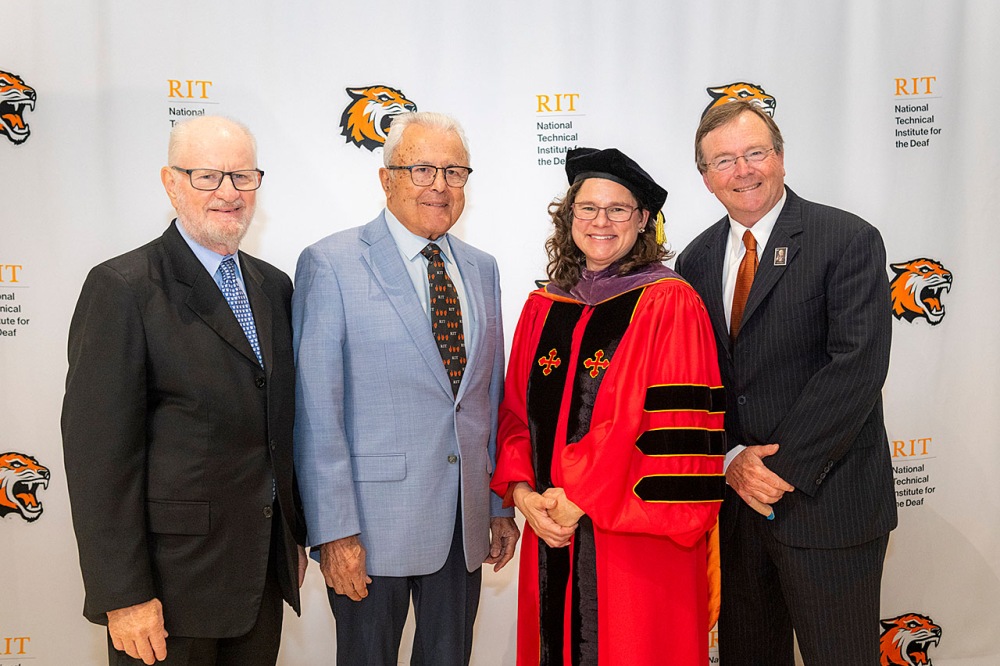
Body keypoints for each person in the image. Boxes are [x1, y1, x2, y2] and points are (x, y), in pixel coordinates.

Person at [61, 116, 307, 666]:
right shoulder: (123, 288)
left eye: (243, 177)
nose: (229, 193)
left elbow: (275, 428)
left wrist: (293, 533)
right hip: (167, 597)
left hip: (258, 583)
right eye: (208, 176)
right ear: (171, 183)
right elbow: (99, 460)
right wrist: (122, 595)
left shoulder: (274, 286)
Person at [292, 111, 519, 666]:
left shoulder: (482, 268)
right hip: (369, 533)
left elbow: (486, 399)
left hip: (461, 530)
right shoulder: (331, 263)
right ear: (386, 177)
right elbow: (316, 412)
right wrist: (334, 533)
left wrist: (494, 504)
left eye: (454, 171)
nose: (439, 185)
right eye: (421, 169)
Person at [674, 100, 896, 665]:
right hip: (736, 510)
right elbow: (691, 381)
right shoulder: (693, 263)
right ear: (705, 178)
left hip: (829, 504)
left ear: (781, 159)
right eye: (723, 160)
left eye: (755, 153)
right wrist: (729, 459)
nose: (742, 170)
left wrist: (773, 469)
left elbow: (856, 368)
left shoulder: (846, 238)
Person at [491, 147, 725, 665]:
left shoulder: (670, 303)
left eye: (619, 209)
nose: (601, 221)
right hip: (552, 528)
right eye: (587, 208)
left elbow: (671, 429)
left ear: (643, 220)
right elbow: (513, 413)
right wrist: (525, 493)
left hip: (634, 542)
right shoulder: (544, 306)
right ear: (568, 216)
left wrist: (578, 496)